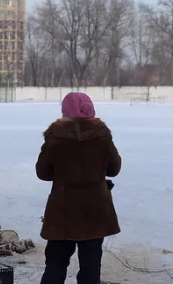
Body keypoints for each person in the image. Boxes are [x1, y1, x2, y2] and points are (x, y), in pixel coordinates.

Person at [36, 92, 121, 284]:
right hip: (95, 211)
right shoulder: (102, 136)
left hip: (62, 213)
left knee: (55, 266)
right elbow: (114, 169)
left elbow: (43, 172)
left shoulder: (54, 138)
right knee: (91, 269)